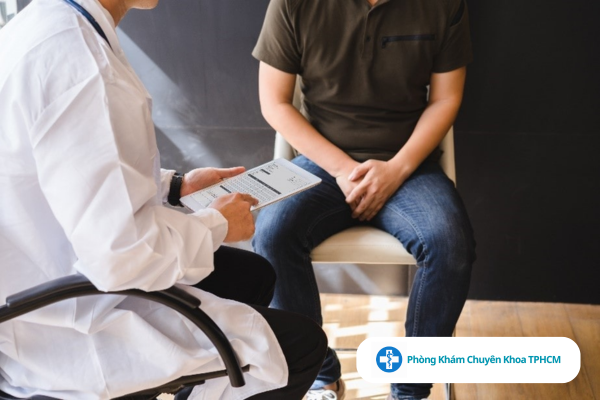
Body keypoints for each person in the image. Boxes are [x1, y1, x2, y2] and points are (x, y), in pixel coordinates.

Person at [0, 0, 328, 399]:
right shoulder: (84, 67)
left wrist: (176, 187)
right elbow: (121, 258)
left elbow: (72, 172)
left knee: (252, 276)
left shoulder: (47, 24)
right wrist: (217, 225)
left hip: (39, 287)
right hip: (65, 326)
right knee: (300, 350)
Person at [252, 0, 477, 399]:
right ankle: (318, 374)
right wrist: (342, 169)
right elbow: (275, 102)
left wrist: (396, 170)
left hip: (407, 164)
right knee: (272, 233)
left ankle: (410, 390)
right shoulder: (291, 4)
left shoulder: (444, 5)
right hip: (322, 162)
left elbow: (445, 99)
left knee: (450, 244)